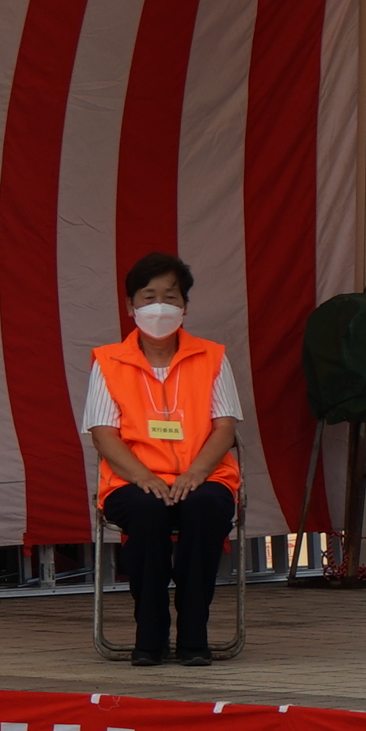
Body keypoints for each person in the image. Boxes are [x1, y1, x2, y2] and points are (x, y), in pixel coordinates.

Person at [83, 252, 241, 665]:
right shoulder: (108, 361)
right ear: (130, 306)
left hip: (204, 477)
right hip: (132, 482)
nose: (159, 306)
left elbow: (225, 427)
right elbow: (103, 433)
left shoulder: (212, 357)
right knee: (147, 511)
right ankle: (149, 635)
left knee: (205, 506)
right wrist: (143, 477)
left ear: (185, 306)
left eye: (169, 297)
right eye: (148, 296)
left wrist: (196, 473)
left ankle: (194, 634)